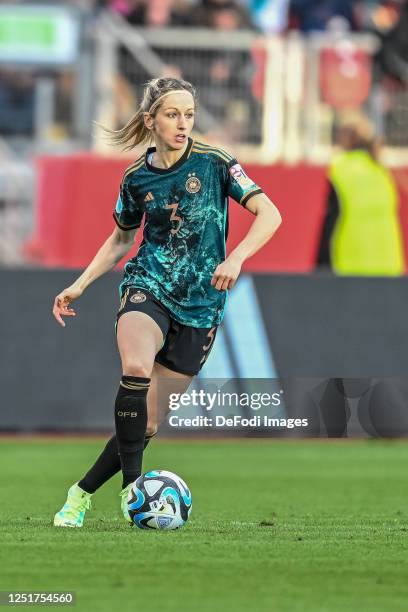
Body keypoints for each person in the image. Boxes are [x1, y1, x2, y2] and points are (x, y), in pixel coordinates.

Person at [52, 77, 282, 527]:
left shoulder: (216, 163)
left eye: (189, 115)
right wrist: (81, 284)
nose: (182, 124)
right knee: (135, 368)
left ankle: (79, 493)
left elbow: (270, 213)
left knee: (148, 424)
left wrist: (235, 258)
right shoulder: (136, 178)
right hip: (148, 284)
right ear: (150, 120)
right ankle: (134, 492)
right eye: (173, 115)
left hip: (202, 306)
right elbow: (122, 239)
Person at [316, 112, 404, 275]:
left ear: (345, 138)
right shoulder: (380, 170)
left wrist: (321, 264)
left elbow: (331, 218)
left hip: (351, 263)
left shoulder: (341, 169)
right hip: (388, 265)